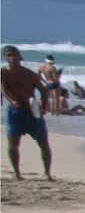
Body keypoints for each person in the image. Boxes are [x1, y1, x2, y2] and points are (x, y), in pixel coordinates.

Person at [2, 45, 53, 180]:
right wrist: (9, 100)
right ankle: (17, 174)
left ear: (20, 56)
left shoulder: (29, 74)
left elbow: (43, 90)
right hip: (14, 113)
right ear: (5, 57)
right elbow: (3, 89)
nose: (12, 57)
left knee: (43, 143)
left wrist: (43, 107)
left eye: (14, 54)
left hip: (32, 112)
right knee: (13, 143)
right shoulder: (3, 72)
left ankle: (47, 173)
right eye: (8, 55)